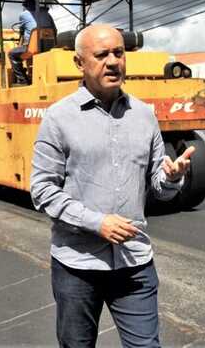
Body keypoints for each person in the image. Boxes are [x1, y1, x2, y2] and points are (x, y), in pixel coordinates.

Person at [30, 24, 195, 347]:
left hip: (134, 262)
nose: (113, 61)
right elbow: (43, 189)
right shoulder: (58, 118)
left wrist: (172, 178)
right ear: (80, 63)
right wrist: (97, 223)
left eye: (119, 53)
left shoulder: (144, 116)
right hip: (77, 265)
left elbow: (157, 188)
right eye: (101, 54)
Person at [9, 0, 56, 85]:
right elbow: (55, 29)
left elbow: (22, 31)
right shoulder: (47, 14)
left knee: (12, 54)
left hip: (34, 48)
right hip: (50, 46)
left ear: (26, 5)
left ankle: (23, 80)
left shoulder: (23, 15)